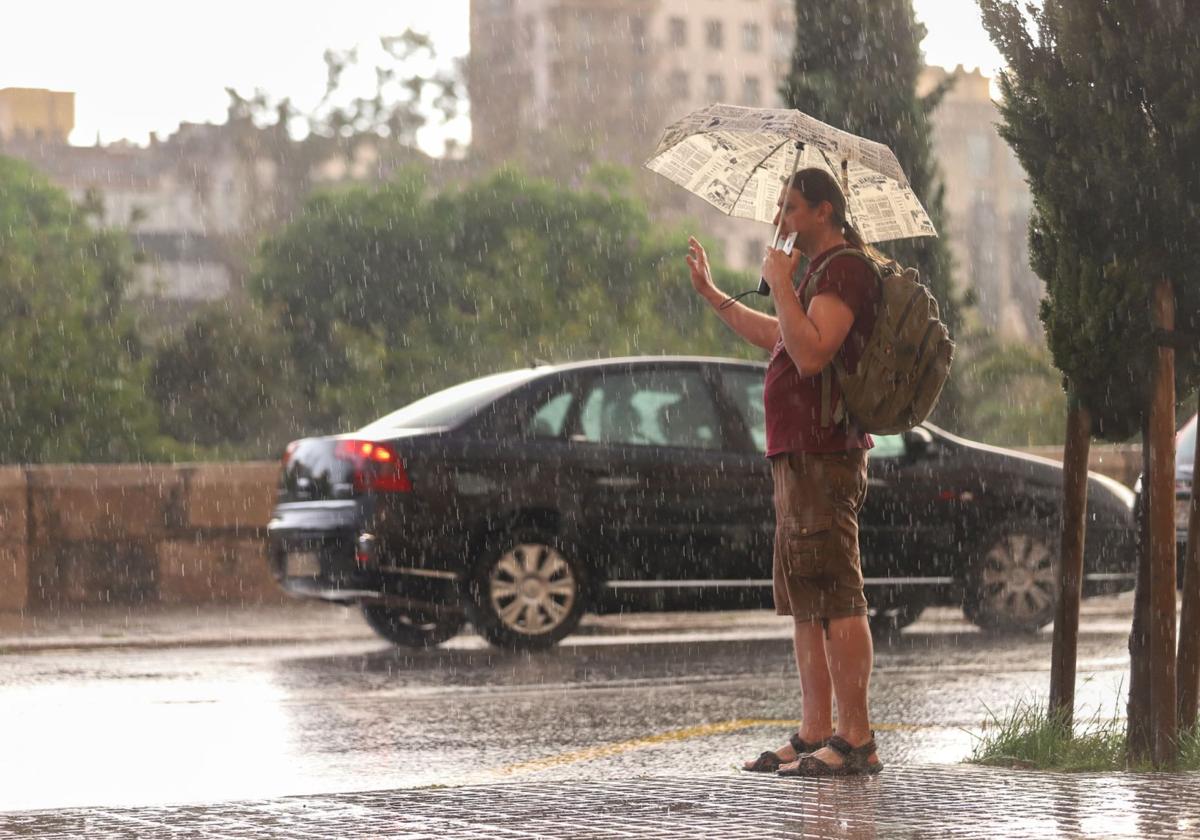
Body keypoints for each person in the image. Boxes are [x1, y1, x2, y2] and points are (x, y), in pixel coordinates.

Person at [686, 167, 883, 777]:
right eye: (780, 205)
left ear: (824, 212)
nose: (781, 219)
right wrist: (715, 295)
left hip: (825, 454)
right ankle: (815, 728)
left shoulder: (845, 269)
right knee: (805, 600)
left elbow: (812, 350)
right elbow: (779, 337)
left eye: (792, 208)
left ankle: (857, 738)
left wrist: (779, 279)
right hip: (797, 456)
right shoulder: (819, 273)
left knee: (838, 596)